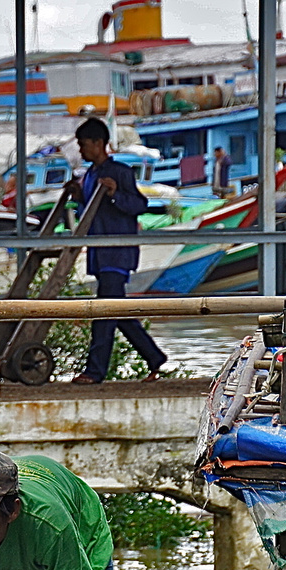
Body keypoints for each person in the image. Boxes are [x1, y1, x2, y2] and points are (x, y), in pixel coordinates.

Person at [71, 117, 166, 385]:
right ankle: (154, 356)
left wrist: (115, 194)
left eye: (84, 145)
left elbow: (139, 205)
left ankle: (95, 371)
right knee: (116, 310)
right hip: (99, 253)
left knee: (104, 312)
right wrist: (78, 196)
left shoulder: (120, 173)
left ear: (99, 143)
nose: (81, 150)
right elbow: (89, 211)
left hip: (117, 253)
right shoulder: (89, 175)